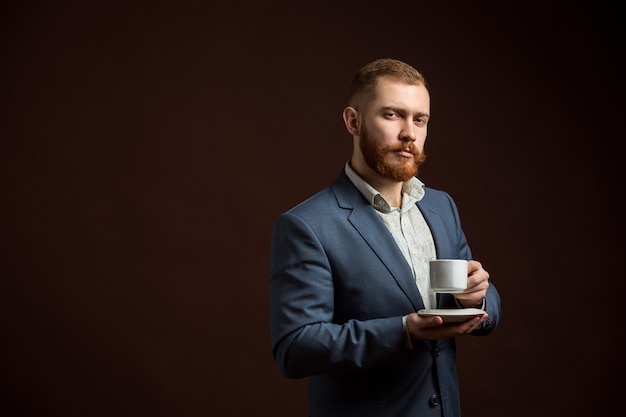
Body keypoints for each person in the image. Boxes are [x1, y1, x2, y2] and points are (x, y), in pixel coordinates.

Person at [269, 58, 501, 417]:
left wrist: (479, 298)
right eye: (392, 115)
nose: (409, 132)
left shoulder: (441, 206)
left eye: (419, 119)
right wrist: (404, 330)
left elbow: (483, 301)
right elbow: (295, 349)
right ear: (353, 121)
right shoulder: (306, 225)